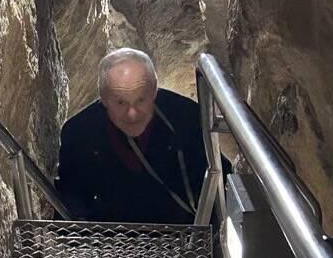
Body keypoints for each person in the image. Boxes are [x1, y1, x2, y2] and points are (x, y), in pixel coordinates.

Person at [55, 48, 217, 224]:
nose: (132, 114)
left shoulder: (186, 118)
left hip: (182, 230)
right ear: (103, 98)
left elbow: (217, 181)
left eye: (140, 100)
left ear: (154, 90)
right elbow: (71, 196)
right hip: (109, 234)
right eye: (120, 102)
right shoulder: (80, 133)